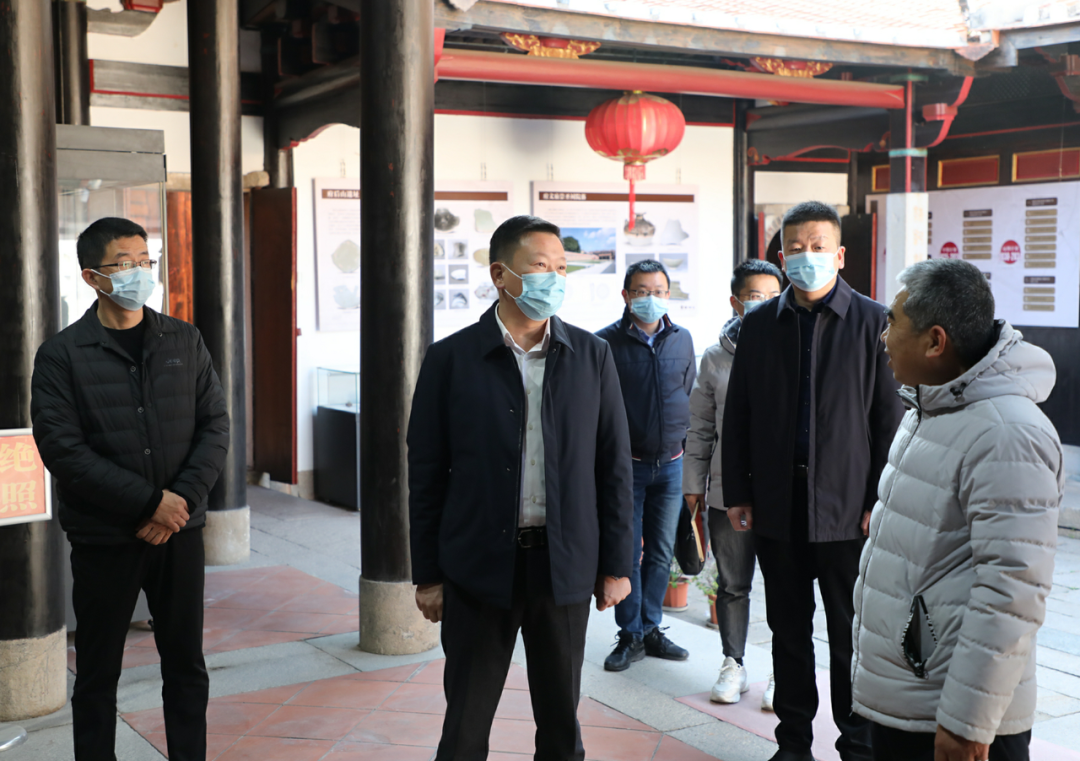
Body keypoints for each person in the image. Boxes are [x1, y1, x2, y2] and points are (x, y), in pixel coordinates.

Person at [408, 215, 634, 760]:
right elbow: (426, 475)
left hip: (562, 566)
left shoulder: (591, 356)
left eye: (562, 268)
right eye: (540, 266)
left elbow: (613, 468)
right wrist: (428, 574)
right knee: (465, 724)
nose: (554, 278)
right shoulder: (451, 359)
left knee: (560, 724)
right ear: (500, 275)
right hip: (478, 567)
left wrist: (616, 565)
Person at [31, 217, 229, 761]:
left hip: (179, 534)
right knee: (98, 674)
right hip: (105, 538)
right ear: (93, 277)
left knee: (186, 665)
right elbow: (63, 451)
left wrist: (177, 504)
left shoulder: (184, 339)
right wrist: (149, 504)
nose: (140, 272)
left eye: (145, 261)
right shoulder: (62, 355)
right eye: (125, 264)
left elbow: (215, 426)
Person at [852, 258, 1063, 761]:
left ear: (935, 341)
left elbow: (1012, 587)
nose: (883, 337)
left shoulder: (1008, 433)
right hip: (917, 691)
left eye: (892, 323)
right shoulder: (931, 407)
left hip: (952, 715)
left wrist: (968, 721)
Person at [721, 201, 904, 761]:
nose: (807, 257)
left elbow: (890, 422)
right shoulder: (758, 325)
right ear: (782, 257)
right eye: (796, 248)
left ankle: (857, 744)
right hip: (778, 506)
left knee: (851, 634)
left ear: (840, 254)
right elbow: (739, 413)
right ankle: (793, 742)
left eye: (818, 247)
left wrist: (878, 499)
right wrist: (739, 492)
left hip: (849, 511)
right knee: (788, 631)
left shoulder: (875, 323)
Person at [684, 259, 783, 706]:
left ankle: (784, 668)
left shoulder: (794, 350)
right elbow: (700, 428)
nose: (764, 304)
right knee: (733, 583)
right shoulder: (715, 357)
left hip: (782, 494)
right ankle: (734, 663)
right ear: (736, 302)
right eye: (754, 296)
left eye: (773, 296)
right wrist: (693, 485)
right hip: (728, 492)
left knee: (784, 587)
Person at [596, 259, 697, 671]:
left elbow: (685, 393)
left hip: (671, 466)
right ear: (626, 295)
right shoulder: (604, 344)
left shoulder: (682, 339)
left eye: (658, 291)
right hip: (628, 469)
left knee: (659, 552)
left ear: (668, 295)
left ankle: (651, 627)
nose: (650, 299)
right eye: (641, 291)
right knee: (627, 553)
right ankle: (630, 633)